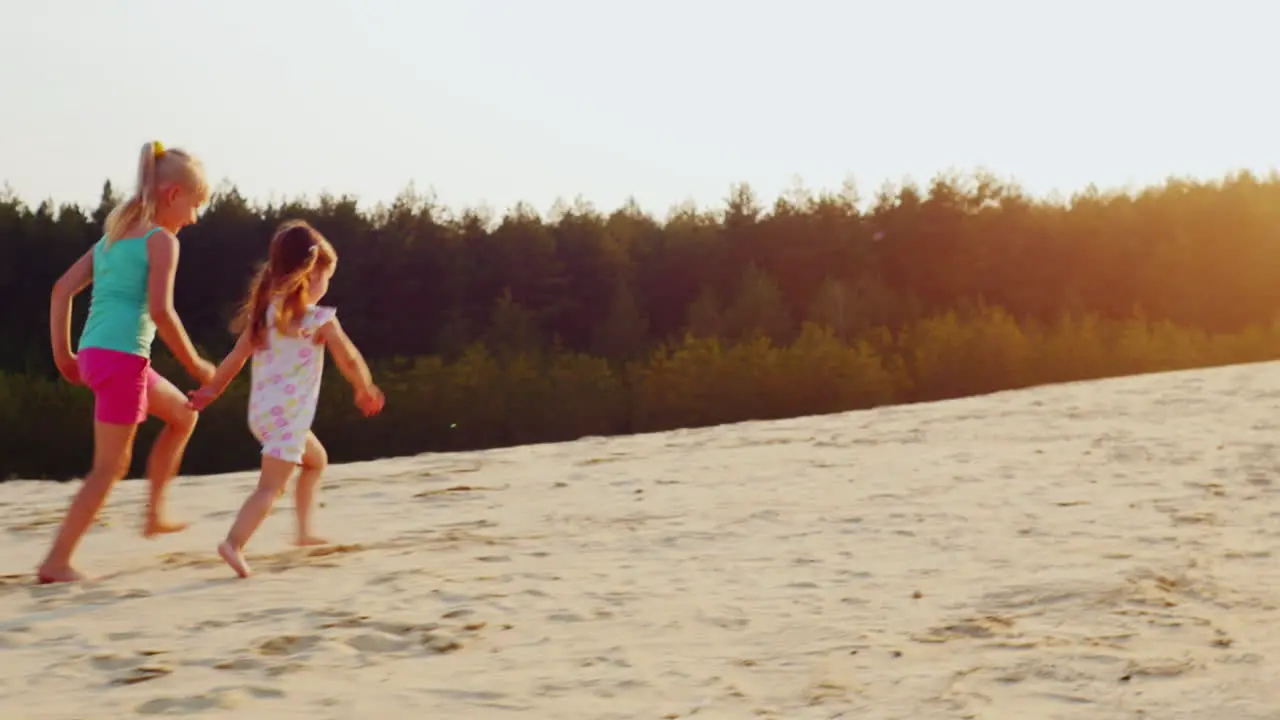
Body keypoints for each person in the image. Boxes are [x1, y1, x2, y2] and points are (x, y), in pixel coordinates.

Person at [39, 141, 217, 584]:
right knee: (110, 467)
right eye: (195, 206)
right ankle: (56, 562)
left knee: (182, 414)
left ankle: (154, 515)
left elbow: (61, 290)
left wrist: (64, 355)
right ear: (173, 194)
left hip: (100, 355)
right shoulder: (162, 242)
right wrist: (196, 363)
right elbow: (161, 312)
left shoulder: (113, 238)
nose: (194, 218)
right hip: (122, 361)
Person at [186, 219, 385, 578]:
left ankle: (305, 531)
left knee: (316, 461)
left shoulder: (265, 315)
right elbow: (350, 358)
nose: (327, 286)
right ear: (311, 274)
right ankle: (233, 543)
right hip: (289, 420)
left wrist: (210, 391)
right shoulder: (318, 320)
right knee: (269, 488)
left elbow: (234, 359)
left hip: (263, 415)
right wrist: (364, 387)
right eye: (327, 277)